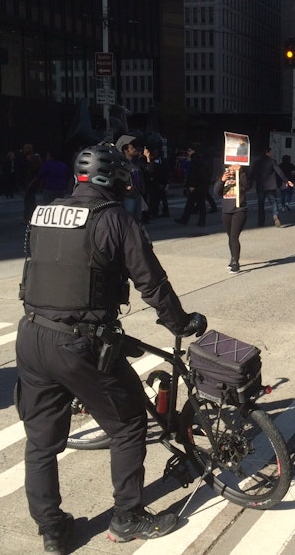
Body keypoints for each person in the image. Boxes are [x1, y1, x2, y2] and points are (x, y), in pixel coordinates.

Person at [15, 143, 207, 552]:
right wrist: (181, 323)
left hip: (32, 336)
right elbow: (151, 283)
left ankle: (52, 531)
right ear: (116, 179)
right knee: (128, 424)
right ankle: (128, 517)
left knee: (42, 442)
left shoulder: (42, 213)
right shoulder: (115, 219)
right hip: (80, 344)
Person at [214, 164, 250, 272]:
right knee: (230, 236)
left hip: (239, 210)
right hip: (226, 210)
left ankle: (236, 262)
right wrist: (222, 180)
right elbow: (216, 192)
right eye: (230, 167)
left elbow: (247, 186)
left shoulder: (242, 177)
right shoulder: (224, 178)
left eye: (234, 166)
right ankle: (233, 257)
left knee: (234, 237)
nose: (232, 168)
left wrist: (241, 173)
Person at [251, 148, 285, 227]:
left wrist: (249, 181)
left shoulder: (257, 162)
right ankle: (275, 215)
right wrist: (285, 180)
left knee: (261, 204)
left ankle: (261, 222)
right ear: (267, 152)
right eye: (270, 152)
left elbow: (252, 173)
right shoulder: (272, 161)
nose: (271, 154)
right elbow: (279, 171)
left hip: (260, 186)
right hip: (270, 186)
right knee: (273, 201)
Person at [175, 143, 208, 227]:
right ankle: (200, 221)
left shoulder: (194, 159)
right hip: (201, 184)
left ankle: (185, 219)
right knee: (200, 203)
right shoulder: (200, 158)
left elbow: (193, 173)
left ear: (193, 151)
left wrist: (192, 185)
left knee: (191, 203)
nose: (188, 152)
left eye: (189, 150)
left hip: (196, 185)